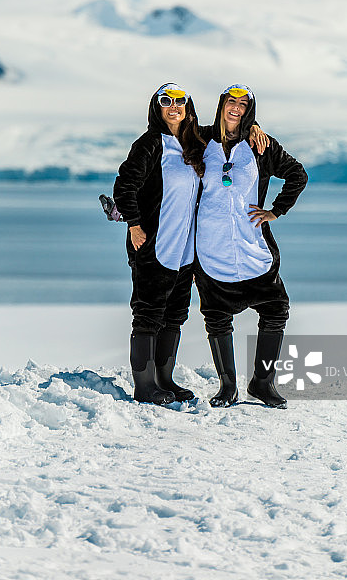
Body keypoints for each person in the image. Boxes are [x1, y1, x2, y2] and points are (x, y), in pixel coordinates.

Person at [112, 82, 268, 405]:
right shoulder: (150, 144)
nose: (173, 108)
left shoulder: (192, 141)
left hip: (184, 251)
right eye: (166, 102)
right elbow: (124, 183)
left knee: (175, 314)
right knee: (148, 312)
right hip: (154, 245)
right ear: (157, 107)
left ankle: (164, 379)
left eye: (179, 103)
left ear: (188, 108)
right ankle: (144, 385)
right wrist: (134, 224)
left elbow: (226, 128)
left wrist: (251, 126)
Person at [194, 84, 308, 408]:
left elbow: (297, 175)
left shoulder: (261, 147)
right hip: (212, 252)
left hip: (252, 251)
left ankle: (262, 383)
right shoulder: (200, 142)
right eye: (232, 102)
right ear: (221, 105)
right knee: (216, 317)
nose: (237, 109)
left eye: (244, 105)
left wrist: (276, 210)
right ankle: (227, 387)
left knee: (276, 310)